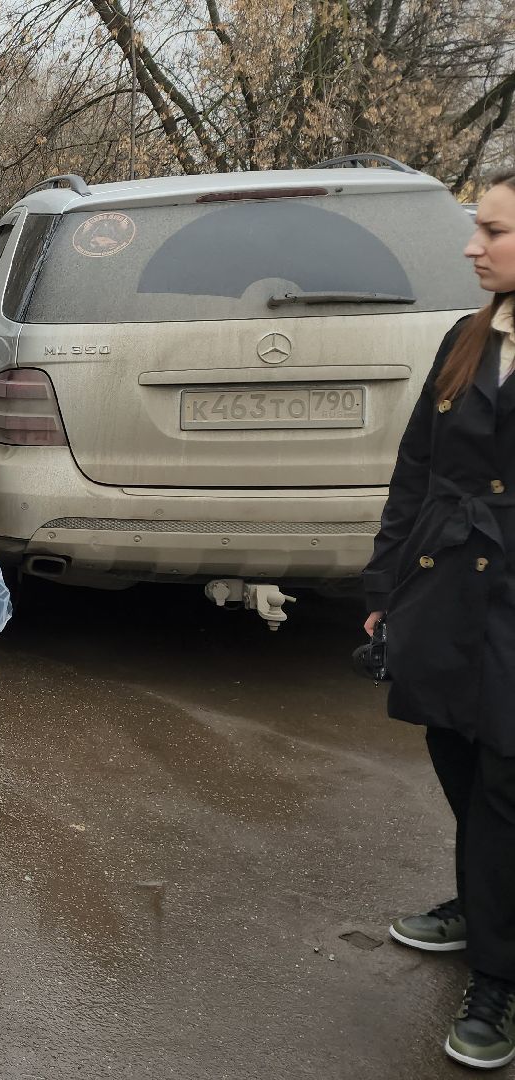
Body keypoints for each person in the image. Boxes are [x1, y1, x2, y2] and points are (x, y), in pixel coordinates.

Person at [364, 169, 515, 1072]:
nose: (471, 246)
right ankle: (482, 895)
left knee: (504, 775)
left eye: (491, 231)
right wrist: (383, 590)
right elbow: (415, 469)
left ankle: (497, 975)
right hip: (446, 585)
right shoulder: (467, 339)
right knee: (456, 751)